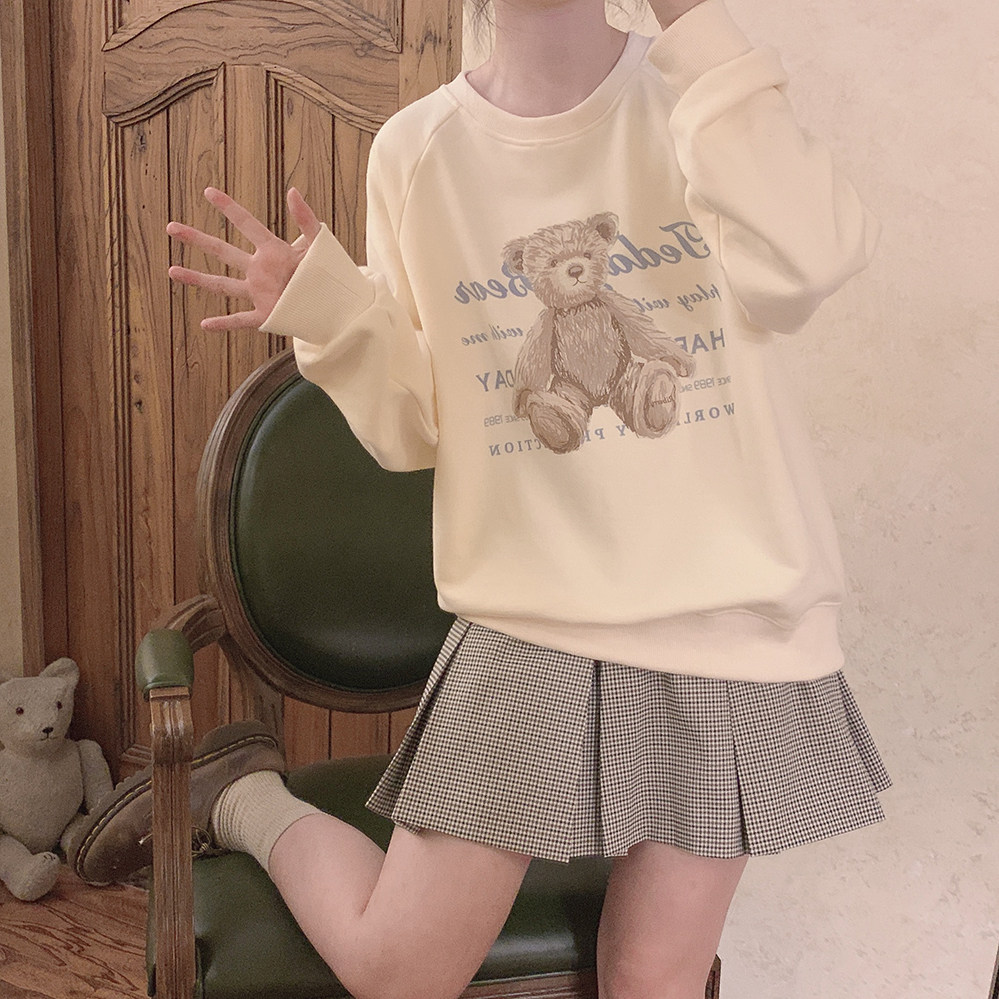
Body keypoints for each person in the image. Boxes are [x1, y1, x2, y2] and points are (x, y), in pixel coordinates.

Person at [71, 2, 892, 998]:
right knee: (397, 971)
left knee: (653, 979)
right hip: (534, 616)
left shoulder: (698, 98)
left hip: (732, 619)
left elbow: (811, 260)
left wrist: (691, 20)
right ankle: (245, 798)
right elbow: (419, 426)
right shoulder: (418, 152)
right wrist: (329, 314)